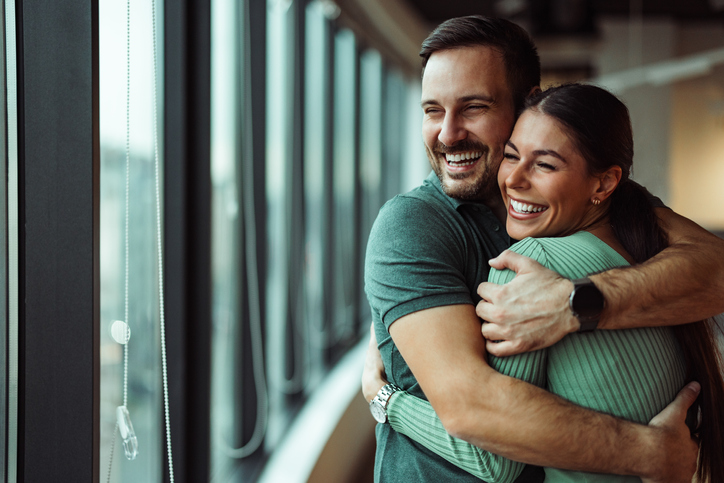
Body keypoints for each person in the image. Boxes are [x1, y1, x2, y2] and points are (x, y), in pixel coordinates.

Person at [363, 15, 724, 483]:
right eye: (432, 110)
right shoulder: (412, 224)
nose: (448, 134)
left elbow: (715, 272)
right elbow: (473, 409)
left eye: (472, 107)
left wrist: (576, 302)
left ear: (526, 101)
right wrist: (649, 452)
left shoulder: (593, 207)